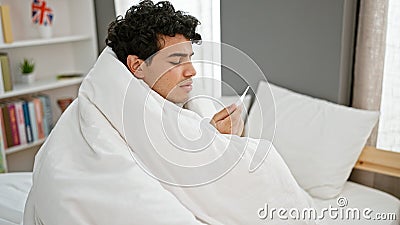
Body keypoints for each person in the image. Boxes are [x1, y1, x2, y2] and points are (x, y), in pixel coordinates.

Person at [106, 0, 244, 135]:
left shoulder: (189, 102)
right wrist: (218, 142)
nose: (192, 72)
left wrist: (226, 136)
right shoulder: (134, 126)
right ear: (138, 66)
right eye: (177, 61)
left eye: (190, 58)